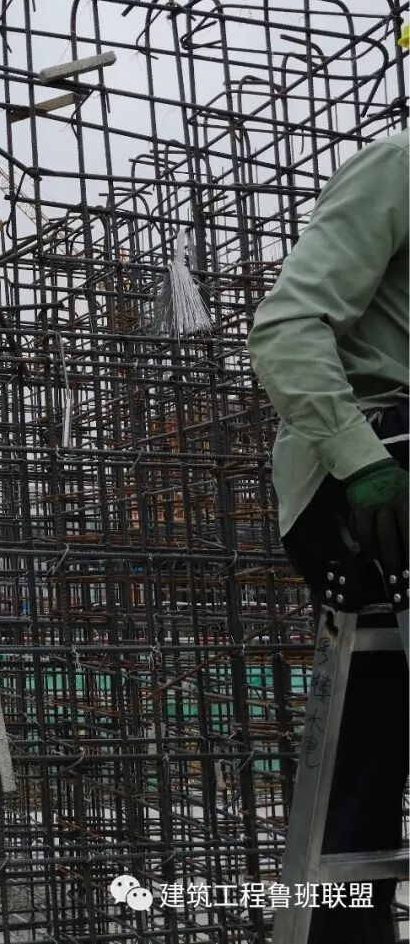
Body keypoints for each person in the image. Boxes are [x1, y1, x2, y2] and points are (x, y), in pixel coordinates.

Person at [247, 127, 408, 944]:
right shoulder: (401, 165)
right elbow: (284, 328)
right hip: (372, 477)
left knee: (366, 765)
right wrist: (360, 458)